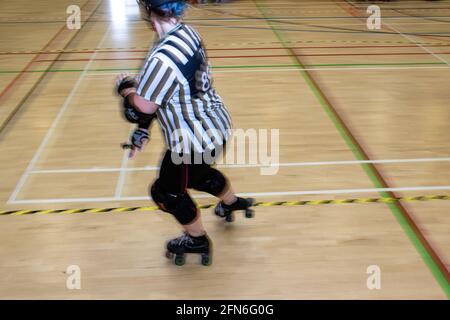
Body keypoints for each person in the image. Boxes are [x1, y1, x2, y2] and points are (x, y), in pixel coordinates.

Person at [115, 0, 253, 266]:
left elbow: (140, 107)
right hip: (215, 125)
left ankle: (197, 238)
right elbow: (160, 93)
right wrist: (143, 129)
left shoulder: (162, 56)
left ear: (148, 10)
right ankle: (231, 202)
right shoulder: (187, 32)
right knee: (196, 175)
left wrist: (126, 89)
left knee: (166, 191)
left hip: (193, 140)